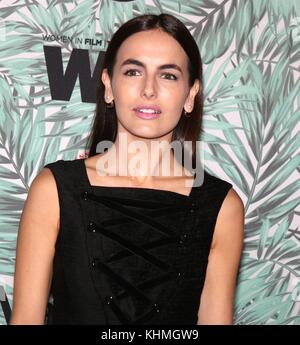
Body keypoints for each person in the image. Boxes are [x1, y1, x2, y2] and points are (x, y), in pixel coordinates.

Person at [10, 13, 244, 325]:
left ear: (190, 95)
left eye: (168, 75)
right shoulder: (54, 189)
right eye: (133, 71)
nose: (149, 89)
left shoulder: (221, 207)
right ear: (108, 85)